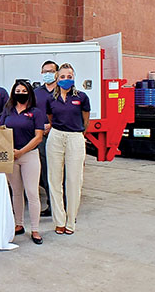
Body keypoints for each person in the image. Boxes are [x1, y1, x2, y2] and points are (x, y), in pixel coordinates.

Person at [46, 63, 90, 235]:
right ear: (57, 79)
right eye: (63, 76)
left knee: (73, 180)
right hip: (56, 136)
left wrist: (78, 134)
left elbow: (85, 120)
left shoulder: (82, 97)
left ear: (73, 78)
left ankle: (71, 221)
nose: (66, 79)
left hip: (75, 137)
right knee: (54, 180)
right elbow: (51, 118)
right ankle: (59, 221)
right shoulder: (51, 99)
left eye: (69, 76)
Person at [0, 80, 44, 245]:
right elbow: (0, 130)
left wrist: (21, 152)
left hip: (29, 156)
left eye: (23, 90)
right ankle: (19, 224)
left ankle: (35, 229)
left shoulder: (36, 112)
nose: (20, 93)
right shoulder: (8, 110)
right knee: (16, 192)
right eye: (17, 90)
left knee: (32, 193)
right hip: (11, 156)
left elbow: (38, 136)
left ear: (29, 93)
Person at [34, 60, 59, 217]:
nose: (47, 74)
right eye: (44, 71)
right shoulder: (37, 93)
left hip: (58, 134)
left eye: (50, 71)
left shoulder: (64, 91)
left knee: (59, 172)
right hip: (42, 137)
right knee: (45, 171)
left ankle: (61, 206)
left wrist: (52, 124)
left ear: (56, 73)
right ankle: (51, 205)